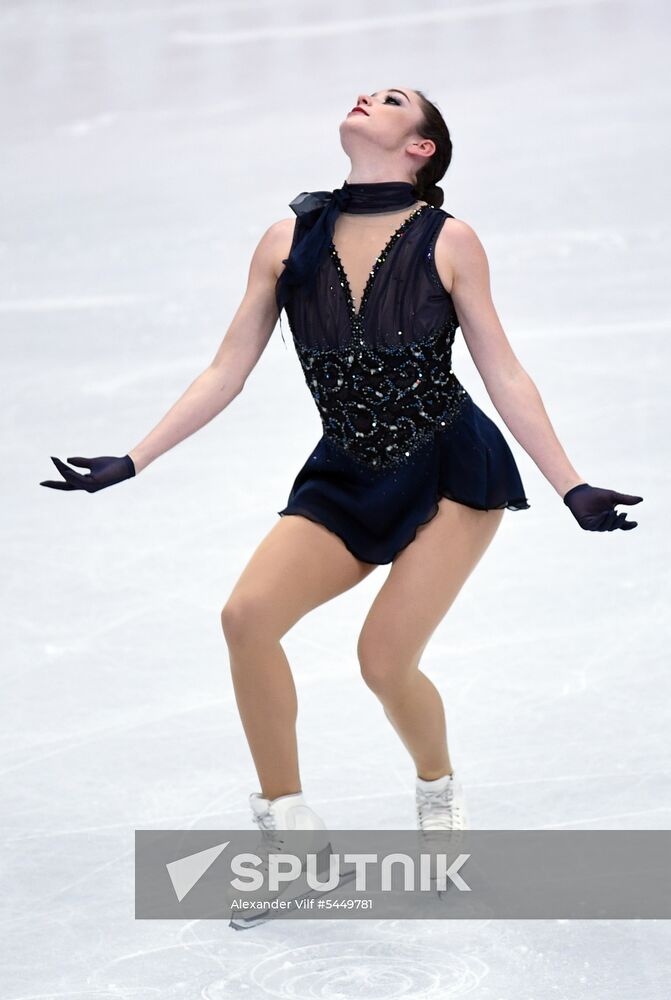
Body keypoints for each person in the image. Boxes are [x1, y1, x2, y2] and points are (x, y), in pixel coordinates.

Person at [40, 87, 643, 841]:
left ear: (419, 147)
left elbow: (504, 373)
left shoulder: (448, 239)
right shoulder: (286, 240)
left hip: (450, 467)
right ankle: (289, 826)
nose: (366, 97)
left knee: (384, 662)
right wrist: (134, 459)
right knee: (246, 618)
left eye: (391, 100)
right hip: (347, 468)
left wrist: (571, 485)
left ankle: (437, 790)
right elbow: (226, 369)